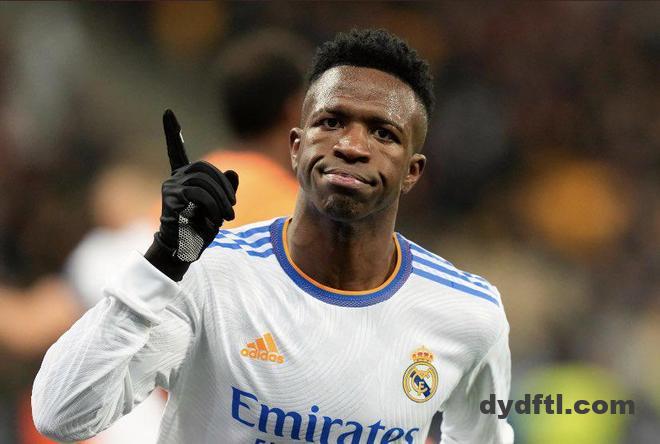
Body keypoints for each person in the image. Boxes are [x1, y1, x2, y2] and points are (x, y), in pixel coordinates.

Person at [32, 29, 513, 443]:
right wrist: (164, 260)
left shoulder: (469, 315)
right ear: (296, 146)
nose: (351, 146)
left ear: (412, 171)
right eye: (331, 122)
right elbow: (61, 415)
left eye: (383, 133)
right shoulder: (208, 276)